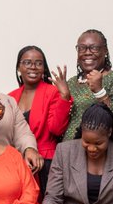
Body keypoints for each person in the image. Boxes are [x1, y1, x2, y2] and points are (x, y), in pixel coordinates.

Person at [9, 45, 72, 191]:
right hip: (17, 163)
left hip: (45, 164)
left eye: (38, 63)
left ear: (44, 68)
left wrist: (64, 97)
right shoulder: (11, 97)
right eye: (27, 62)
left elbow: (56, 129)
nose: (33, 67)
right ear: (19, 67)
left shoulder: (52, 92)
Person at [64, 29, 113, 141]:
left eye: (94, 48)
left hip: (98, 149)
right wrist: (63, 96)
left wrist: (100, 91)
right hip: (68, 148)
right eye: (82, 48)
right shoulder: (71, 82)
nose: (87, 52)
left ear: (105, 51)